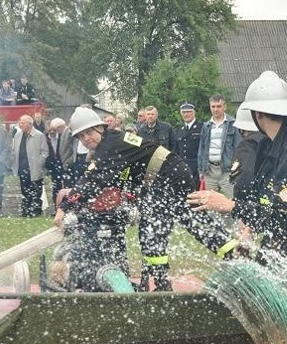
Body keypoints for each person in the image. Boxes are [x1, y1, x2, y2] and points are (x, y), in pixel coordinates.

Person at [54, 106, 236, 291]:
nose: (86, 139)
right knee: (191, 219)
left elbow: (92, 180)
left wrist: (65, 206)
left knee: (151, 230)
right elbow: (118, 173)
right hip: (172, 171)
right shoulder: (115, 139)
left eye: (89, 132)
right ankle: (233, 252)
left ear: (100, 128)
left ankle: (162, 285)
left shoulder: (108, 146)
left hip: (166, 176)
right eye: (81, 136)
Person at [188, 70, 287, 275]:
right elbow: (262, 196)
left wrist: (229, 205)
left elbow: (282, 216)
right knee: (253, 282)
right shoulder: (271, 144)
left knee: (279, 298)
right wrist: (247, 232)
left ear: (257, 114)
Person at [198, 94, 241, 198]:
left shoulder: (233, 124)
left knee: (230, 202)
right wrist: (201, 170)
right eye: (213, 106)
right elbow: (202, 149)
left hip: (227, 171)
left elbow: (238, 148)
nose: (216, 109)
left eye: (218, 106)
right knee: (210, 205)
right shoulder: (206, 126)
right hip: (209, 171)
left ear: (224, 107)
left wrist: (236, 170)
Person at [11, 114, 48, 217]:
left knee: (36, 191)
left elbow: (45, 152)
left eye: (22, 123)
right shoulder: (17, 135)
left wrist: (39, 163)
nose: (20, 124)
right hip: (22, 168)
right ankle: (26, 210)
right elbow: (14, 150)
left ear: (30, 124)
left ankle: (36, 211)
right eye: (20, 122)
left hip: (34, 169)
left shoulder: (39, 135)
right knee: (24, 191)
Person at [230, 106, 265, 200]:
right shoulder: (269, 140)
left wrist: (237, 204)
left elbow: (244, 179)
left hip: (252, 202)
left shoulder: (247, 145)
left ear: (241, 129)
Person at [45, 117, 74, 207]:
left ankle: (66, 206)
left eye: (55, 129)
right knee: (56, 187)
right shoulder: (46, 138)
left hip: (66, 165)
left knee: (68, 186)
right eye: (51, 130)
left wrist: (67, 162)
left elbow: (69, 150)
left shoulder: (67, 134)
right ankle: (58, 207)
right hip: (54, 167)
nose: (53, 132)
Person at [175, 102, 203, 188]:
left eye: (189, 112)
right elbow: (177, 150)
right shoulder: (180, 129)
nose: (186, 114)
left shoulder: (201, 127)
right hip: (183, 166)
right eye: (184, 112)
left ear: (194, 113)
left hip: (196, 166)